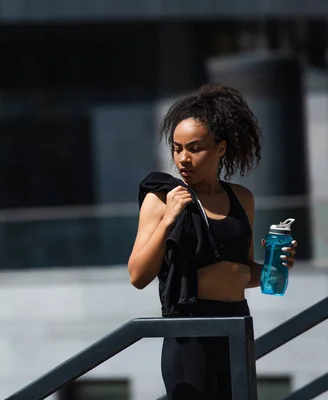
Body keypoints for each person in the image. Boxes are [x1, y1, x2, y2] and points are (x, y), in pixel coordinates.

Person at [127, 83, 299, 400]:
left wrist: (274, 267)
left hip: (236, 323)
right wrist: (169, 220)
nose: (183, 159)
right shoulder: (162, 199)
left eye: (194, 148)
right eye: (177, 149)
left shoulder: (242, 198)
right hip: (190, 332)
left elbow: (241, 270)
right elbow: (138, 275)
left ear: (220, 149)